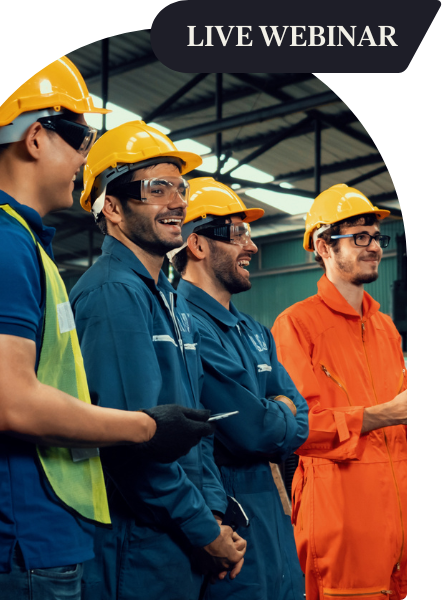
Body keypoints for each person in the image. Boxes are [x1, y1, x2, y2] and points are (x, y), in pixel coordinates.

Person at [0, 60, 216, 599]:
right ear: (37, 137)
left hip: (19, 538)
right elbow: (9, 401)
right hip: (13, 541)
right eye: (79, 140)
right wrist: (147, 427)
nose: (83, 160)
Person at [69, 122, 246, 600]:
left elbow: (195, 428)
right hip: (137, 544)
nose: (176, 202)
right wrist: (205, 532)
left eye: (179, 188)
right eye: (155, 188)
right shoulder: (113, 294)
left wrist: (213, 514)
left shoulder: (169, 297)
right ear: (111, 206)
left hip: (179, 535)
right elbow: (136, 447)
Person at [271, 184, 415, 600]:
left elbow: (407, 413)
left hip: (400, 530)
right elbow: (301, 429)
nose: (373, 247)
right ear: (323, 246)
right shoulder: (296, 325)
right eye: (359, 237)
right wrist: (387, 413)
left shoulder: (386, 327)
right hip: (342, 529)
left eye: (376, 237)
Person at [169, 177, 309, 600]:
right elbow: (254, 432)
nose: (251, 246)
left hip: (275, 521)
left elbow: (299, 418)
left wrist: (275, 414)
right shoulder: (184, 324)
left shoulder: (255, 331)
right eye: (236, 233)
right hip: (231, 523)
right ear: (197, 245)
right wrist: (275, 411)